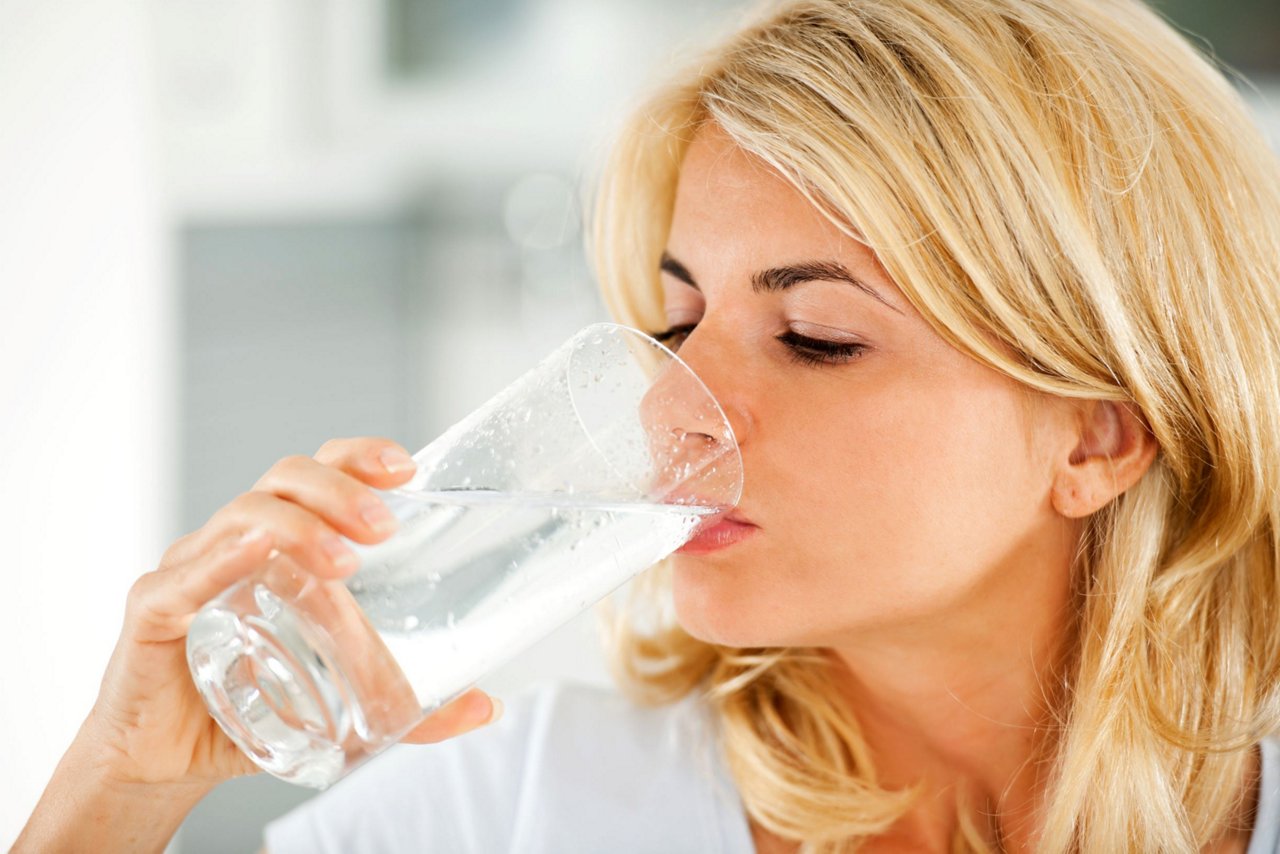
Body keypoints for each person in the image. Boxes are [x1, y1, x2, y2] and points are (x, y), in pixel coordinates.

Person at [16, 0, 1280, 850]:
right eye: (676, 323)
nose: (673, 407)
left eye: (817, 336)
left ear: (1100, 435)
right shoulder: (516, 812)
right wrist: (124, 783)